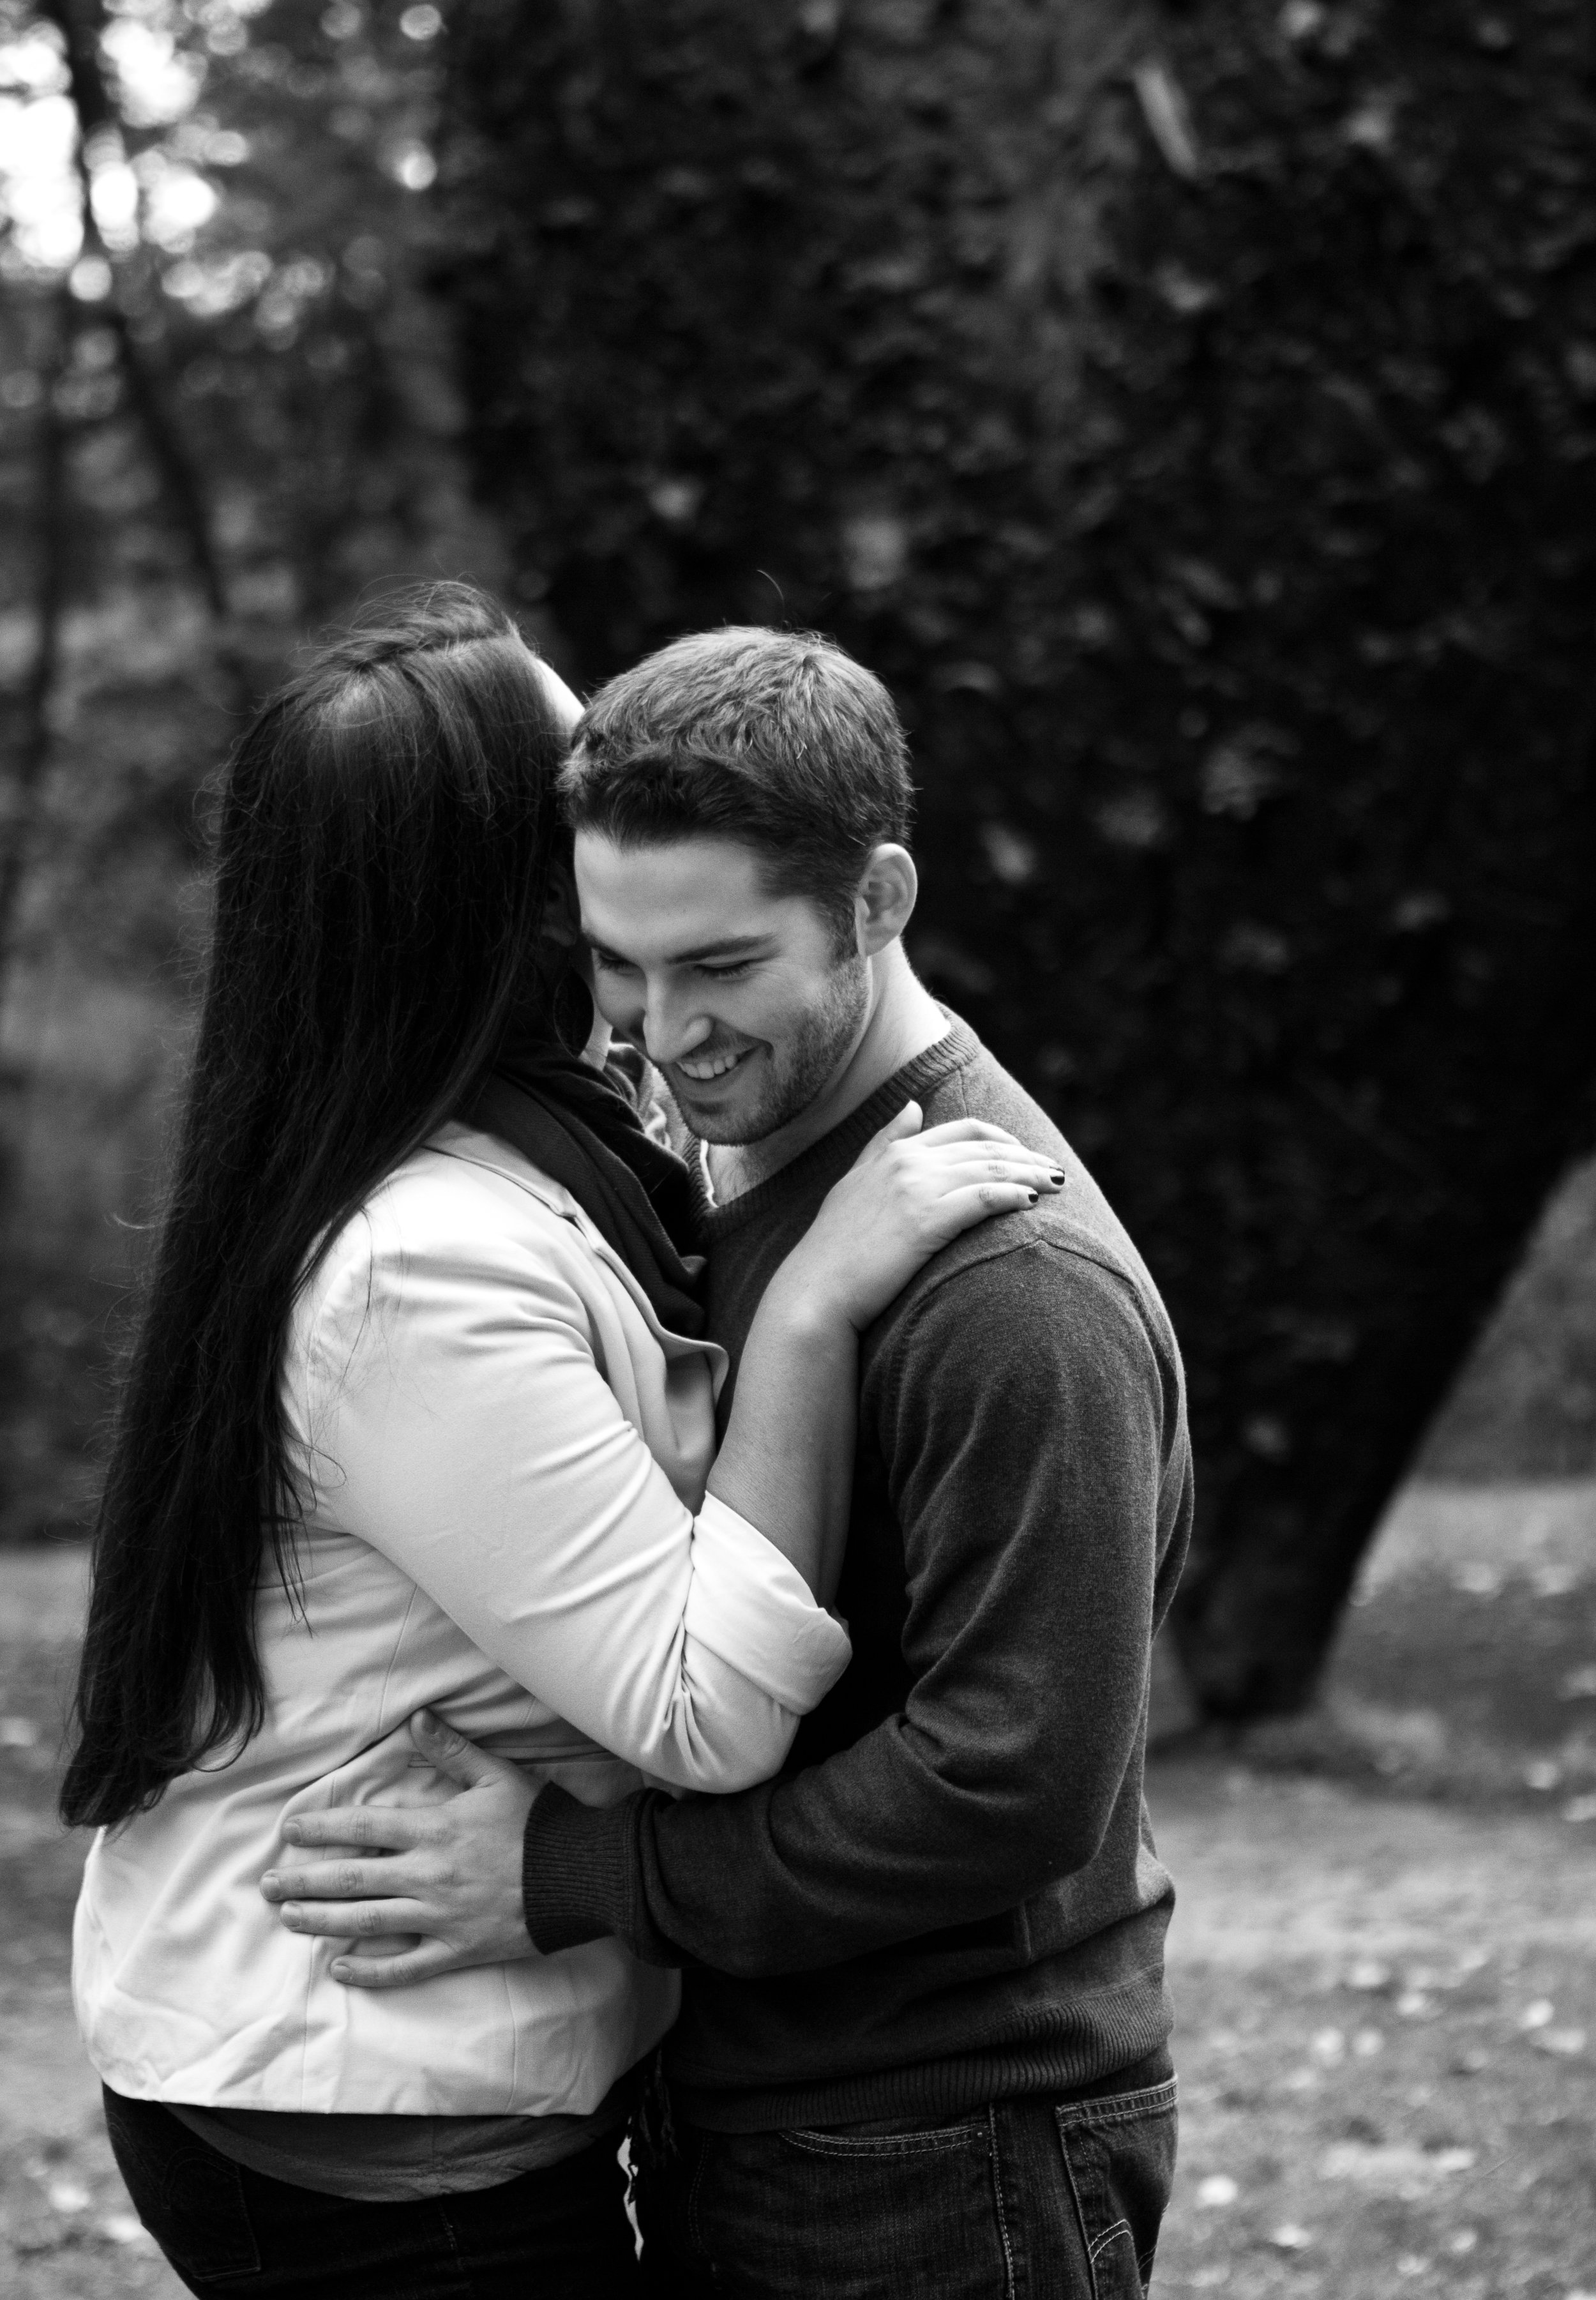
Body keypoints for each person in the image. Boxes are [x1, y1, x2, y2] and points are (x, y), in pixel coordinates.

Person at [60, 590, 1061, 2300]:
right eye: (575, 773)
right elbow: (703, 1709)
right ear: (509, 895)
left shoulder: (493, 1158)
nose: (622, 779)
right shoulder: (421, 1269)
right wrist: (813, 1318)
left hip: (398, 2072)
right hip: (377, 2114)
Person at [266, 626, 1195, 2299]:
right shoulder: (767, 1165)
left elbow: (1012, 1782)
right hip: (777, 2116)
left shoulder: (1004, 1291)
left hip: (939, 2150)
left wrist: (574, 1874)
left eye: (721, 965)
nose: (662, 1031)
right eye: (619, 965)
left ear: (881, 897)